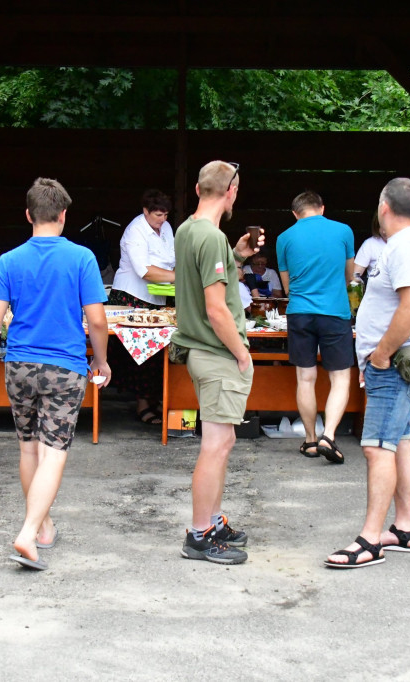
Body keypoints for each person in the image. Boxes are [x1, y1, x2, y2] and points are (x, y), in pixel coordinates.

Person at [0, 178, 111, 571]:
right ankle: (29, 532)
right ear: (64, 215)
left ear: (29, 215)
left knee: (28, 449)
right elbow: (97, 321)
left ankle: (44, 526)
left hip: (18, 366)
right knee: (55, 453)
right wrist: (100, 360)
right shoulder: (81, 258)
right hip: (64, 367)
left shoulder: (10, 260)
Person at [325, 178, 410, 569]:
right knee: (399, 440)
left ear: (383, 207)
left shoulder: (405, 246)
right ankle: (404, 529)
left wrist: (381, 355)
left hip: (394, 362)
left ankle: (370, 540)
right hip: (392, 361)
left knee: (377, 448)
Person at [172, 160, 262, 566]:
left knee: (221, 443)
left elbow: (208, 282)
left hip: (199, 351)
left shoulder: (189, 230)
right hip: (217, 352)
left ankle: (210, 521)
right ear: (232, 192)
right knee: (216, 444)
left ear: (197, 188)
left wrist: (237, 256)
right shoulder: (210, 238)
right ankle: (199, 534)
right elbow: (217, 309)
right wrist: (243, 354)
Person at [276, 190, 355, 462]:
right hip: (335, 311)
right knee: (340, 377)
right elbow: (349, 275)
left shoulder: (284, 237)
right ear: (322, 208)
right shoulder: (344, 231)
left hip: (299, 312)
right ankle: (329, 436)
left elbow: (286, 286)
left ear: (295, 214)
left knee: (305, 378)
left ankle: (310, 440)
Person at [108, 189, 175, 424]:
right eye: (158, 215)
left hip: (158, 296)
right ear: (145, 211)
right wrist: (180, 277)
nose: (163, 220)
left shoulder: (166, 228)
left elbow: (172, 257)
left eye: (166, 215)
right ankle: (142, 405)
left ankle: (154, 399)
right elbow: (144, 271)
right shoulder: (135, 230)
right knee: (140, 354)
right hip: (131, 296)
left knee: (157, 353)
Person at [352, 214, 386, 282]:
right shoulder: (370, 244)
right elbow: (355, 275)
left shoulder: (408, 242)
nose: (384, 231)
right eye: (381, 227)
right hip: (375, 290)